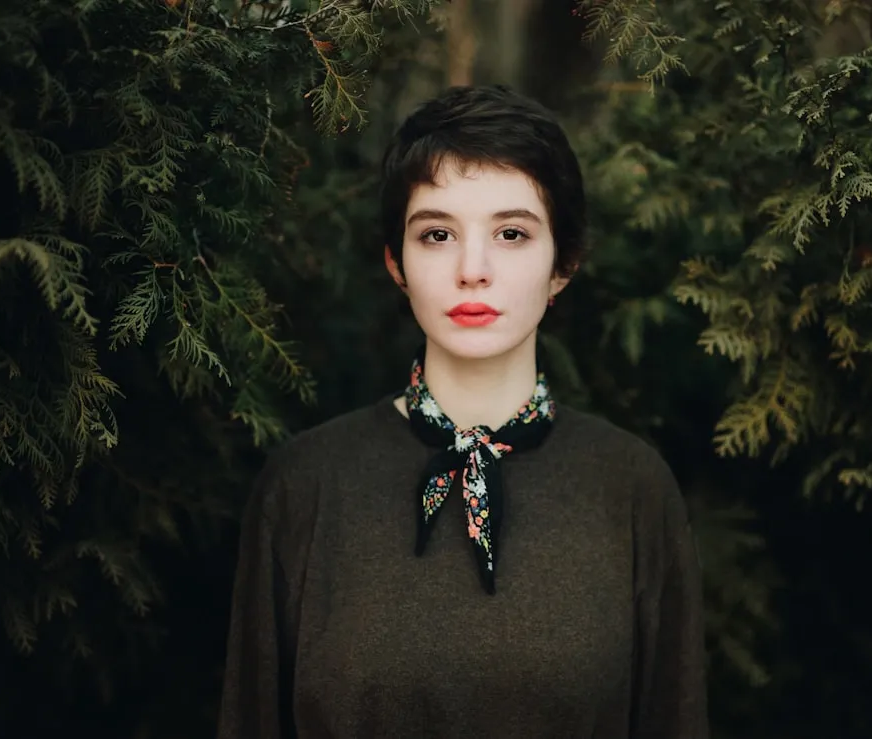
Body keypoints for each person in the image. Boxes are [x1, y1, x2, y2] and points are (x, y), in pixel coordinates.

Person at [216, 84, 709, 738]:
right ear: (397, 261)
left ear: (563, 261)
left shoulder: (631, 487)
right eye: (438, 233)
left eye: (511, 233)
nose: (472, 269)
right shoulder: (305, 486)